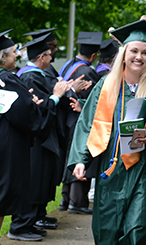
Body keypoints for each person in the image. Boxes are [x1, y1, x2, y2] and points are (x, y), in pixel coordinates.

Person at [68, 19, 146, 245]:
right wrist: (80, 160)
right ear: (124, 53)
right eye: (134, 51)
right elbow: (88, 123)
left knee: (138, 229)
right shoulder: (106, 85)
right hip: (111, 168)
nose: (139, 57)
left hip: (144, 168)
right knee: (108, 228)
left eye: (145, 52)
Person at [0, 29, 44, 245]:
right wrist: (33, 104)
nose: (17, 56)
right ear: (2, 56)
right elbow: (24, 113)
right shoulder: (8, 80)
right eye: (14, 52)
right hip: (6, 144)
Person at [9, 34, 73, 240]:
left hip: (42, 137)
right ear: (41, 57)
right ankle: (21, 225)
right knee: (34, 179)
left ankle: (32, 220)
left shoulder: (35, 75)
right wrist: (56, 95)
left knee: (41, 178)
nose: (52, 57)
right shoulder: (30, 76)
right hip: (36, 139)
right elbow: (39, 108)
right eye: (49, 54)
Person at [58, 31, 102, 215]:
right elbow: (94, 99)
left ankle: (66, 199)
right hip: (79, 119)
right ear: (93, 55)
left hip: (66, 119)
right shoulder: (86, 71)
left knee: (70, 156)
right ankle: (78, 201)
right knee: (81, 156)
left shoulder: (69, 64)